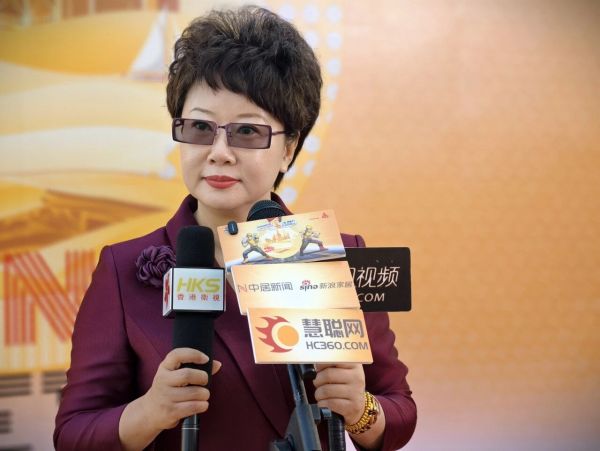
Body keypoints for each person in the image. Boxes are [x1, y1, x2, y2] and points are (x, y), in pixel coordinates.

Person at [54, 6, 416, 451]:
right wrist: (149, 412)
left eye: (247, 132)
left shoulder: (337, 255)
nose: (220, 152)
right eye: (201, 127)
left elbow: (399, 409)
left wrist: (360, 409)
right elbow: (73, 433)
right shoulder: (123, 268)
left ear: (289, 148)